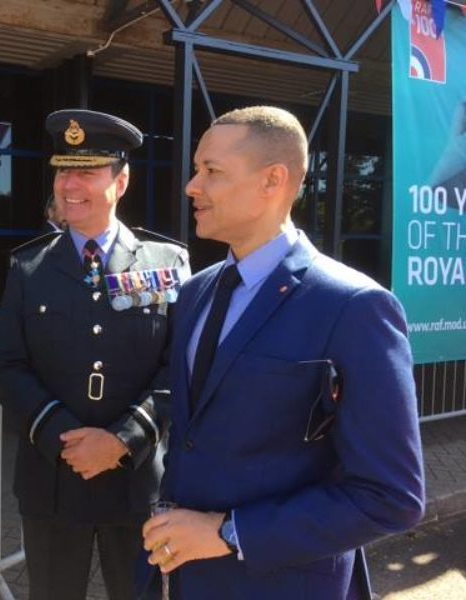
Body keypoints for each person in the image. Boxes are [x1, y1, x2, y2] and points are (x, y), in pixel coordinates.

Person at [140, 106, 425, 599]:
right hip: (185, 579)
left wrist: (231, 533)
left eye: (212, 171)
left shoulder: (354, 306)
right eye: (196, 169)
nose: (192, 185)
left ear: (273, 180)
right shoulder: (196, 293)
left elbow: (391, 496)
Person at [0, 109, 191, 600]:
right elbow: (8, 365)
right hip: (52, 479)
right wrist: (63, 437)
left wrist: (123, 438)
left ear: (122, 181)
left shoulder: (167, 262)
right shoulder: (29, 266)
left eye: (86, 171)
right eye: (63, 170)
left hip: (137, 480)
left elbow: (181, 366)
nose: (69, 184)